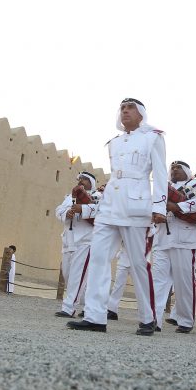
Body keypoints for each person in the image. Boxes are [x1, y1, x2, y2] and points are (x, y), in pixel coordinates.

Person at [67, 98, 167, 335]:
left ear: (141, 113)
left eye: (130, 108)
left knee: (138, 263)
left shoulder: (153, 137)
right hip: (110, 206)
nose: (125, 112)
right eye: (122, 108)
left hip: (136, 206)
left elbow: (160, 175)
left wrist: (159, 208)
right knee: (99, 259)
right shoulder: (114, 143)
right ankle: (95, 316)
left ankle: (148, 318)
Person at [152, 161, 196, 333]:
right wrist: (155, 214)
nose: (174, 170)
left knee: (183, 282)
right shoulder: (163, 186)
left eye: (178, 168)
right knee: (158, 281)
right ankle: (154, 320)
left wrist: (178, 206)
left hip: (184, 240)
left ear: (186, 171)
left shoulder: (194, 185)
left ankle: (185, 321)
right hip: (162, 238)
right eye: (172, 168)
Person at [54, 172, 99, 317]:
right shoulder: (69, 197)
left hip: (86, 242)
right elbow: (58, 210)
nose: (81, 182)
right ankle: (91, 305)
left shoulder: (98, 197)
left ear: (91, 182)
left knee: (77, 276)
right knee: (68, 275)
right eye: (80, 179)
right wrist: (67, 213)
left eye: (85, 180)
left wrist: (82, 209)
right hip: (68, 240)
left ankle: (69, 308)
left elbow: (99, 214)